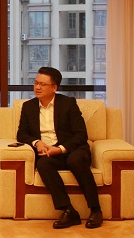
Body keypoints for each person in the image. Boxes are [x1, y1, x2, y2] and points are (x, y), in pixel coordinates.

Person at [16, 66, 102, 229]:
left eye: (42, 84)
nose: (37, 87)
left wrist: (61, 148)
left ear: (54, 87)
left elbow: (81, 135)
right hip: (49, 152)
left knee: (75, 161)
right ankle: (69, 211)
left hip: (72, 150)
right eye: (35, 83)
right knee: (43, 164)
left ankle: (96, 210)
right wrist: (37, 142)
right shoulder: (28, 107)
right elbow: (22, 134)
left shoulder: (68, 104)